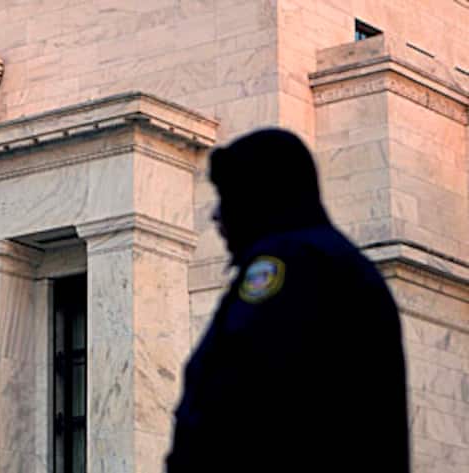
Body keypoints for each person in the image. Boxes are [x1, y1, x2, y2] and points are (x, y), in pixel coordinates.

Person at [166, 128, 409, 472]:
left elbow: (240, 390)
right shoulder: (331, 262)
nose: (216, 216)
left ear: (257, 196)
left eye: (228, 196)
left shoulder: (292, 263)